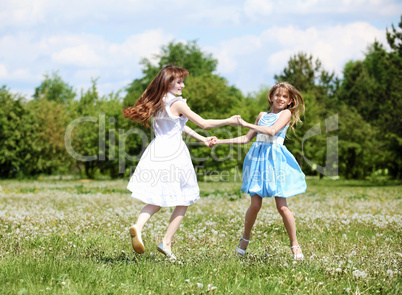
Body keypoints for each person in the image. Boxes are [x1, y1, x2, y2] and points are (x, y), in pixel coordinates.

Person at [122, 65, 238, 260]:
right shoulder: (177, 103)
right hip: (174, 153)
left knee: (156, 200)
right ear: (168, 82)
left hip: (157, 151)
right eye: (179, 82)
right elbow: (204, 123)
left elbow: (179, 126)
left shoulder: (158, 101)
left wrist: (201, 139)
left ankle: (138, 226)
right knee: (184, 199)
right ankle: (166, 242)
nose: (183, 85)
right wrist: (229, 120)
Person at [213, 82, 307, 260]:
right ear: (271, 97)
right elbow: (246, 139)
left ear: (289, 101)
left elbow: (272, 131)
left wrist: (247, 124)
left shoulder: (286, 113)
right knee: (255, 205)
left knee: (281, 206)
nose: (280, 99)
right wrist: (219, 141)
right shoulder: (262, 115)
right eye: (277, 95)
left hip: (275, 161)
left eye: (285, 97)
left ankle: (294, 244)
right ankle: (244, 240)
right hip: (257, 160)